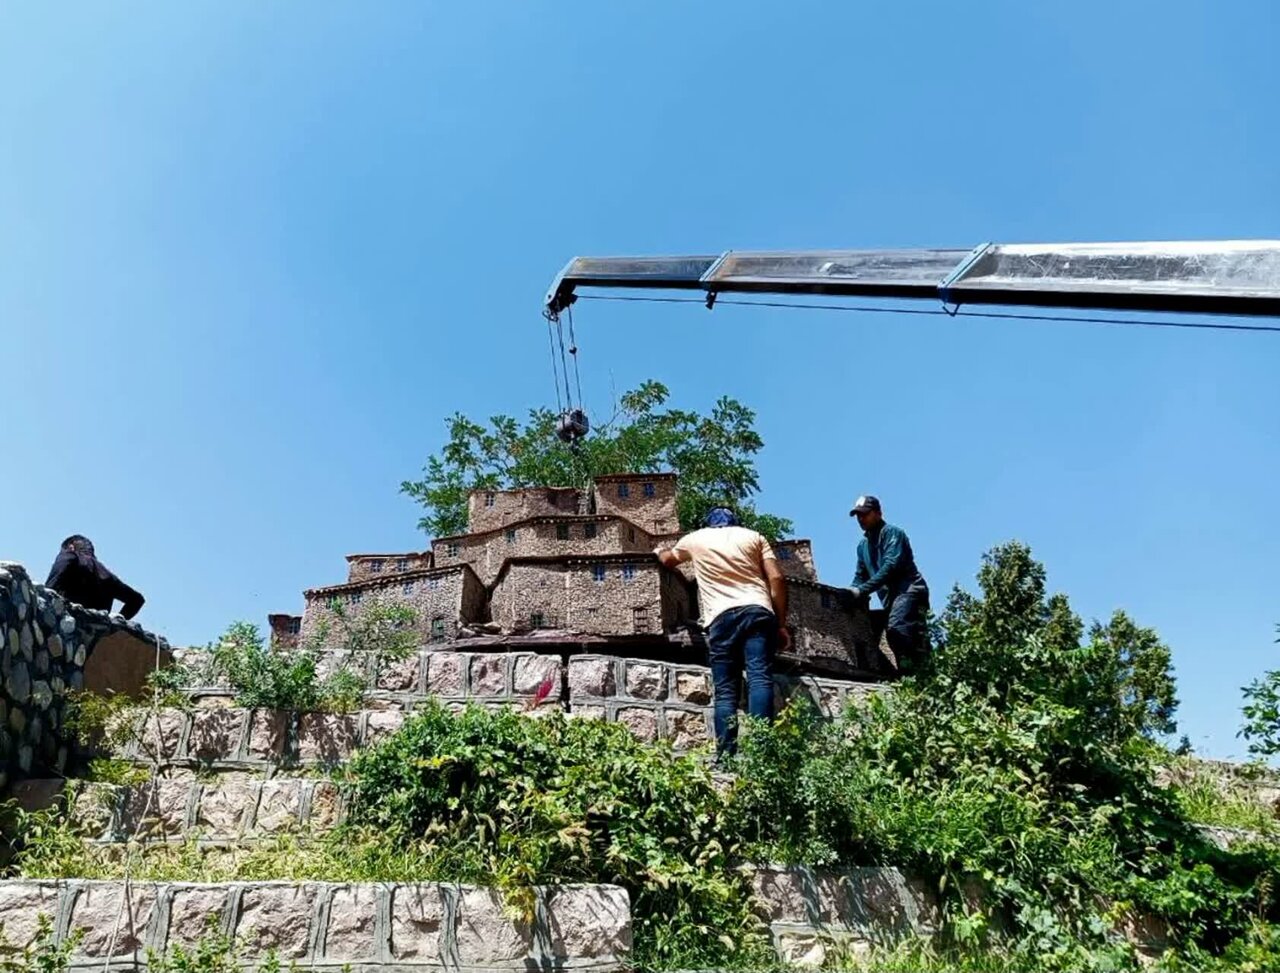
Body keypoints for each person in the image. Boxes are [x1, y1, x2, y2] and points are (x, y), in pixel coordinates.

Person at [657, 507, 791, 758]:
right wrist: (781, 623)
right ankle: (762, 753)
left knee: (726, 692)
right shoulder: (754, 537)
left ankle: (726, 756)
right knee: (759, 678)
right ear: (734, 522)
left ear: (709, 523)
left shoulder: (696, 539)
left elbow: (668, 560)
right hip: (757, 611)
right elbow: (777, 578)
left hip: (720, 617)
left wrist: (657, 551)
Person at [849, 495, 929, 672]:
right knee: (872, 628)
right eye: (858, 515)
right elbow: (860, 576)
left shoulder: (893, 534)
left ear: (878, 513)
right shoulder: (863, 546)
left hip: (909, 591)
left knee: (898, 629)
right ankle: (897, 673)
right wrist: (850, 593)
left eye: (865, 514)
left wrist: (860, 591)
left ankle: (912, 676)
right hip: (891, 601)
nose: (861, 519)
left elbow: (890, 568)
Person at [45, 535, 145, 619]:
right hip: (92, 630)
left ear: (71, 547)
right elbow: (136, 600)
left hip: (66, 621)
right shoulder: (108, 575)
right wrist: (116, 622)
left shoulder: (70, 556)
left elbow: (49, 590)